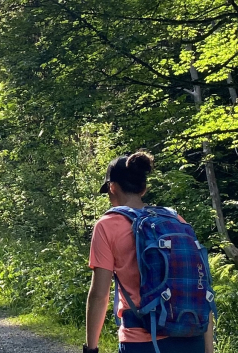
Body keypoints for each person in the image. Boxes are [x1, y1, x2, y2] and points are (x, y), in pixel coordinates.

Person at [83, 151, 214, 353]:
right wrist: (208, 349)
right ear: (143, 189)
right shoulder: (176, 220)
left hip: (142, 342)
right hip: (191, 337)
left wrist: (90, 349)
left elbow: (100, 295)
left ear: (112, 187)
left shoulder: (107, 225)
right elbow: (202, 286)